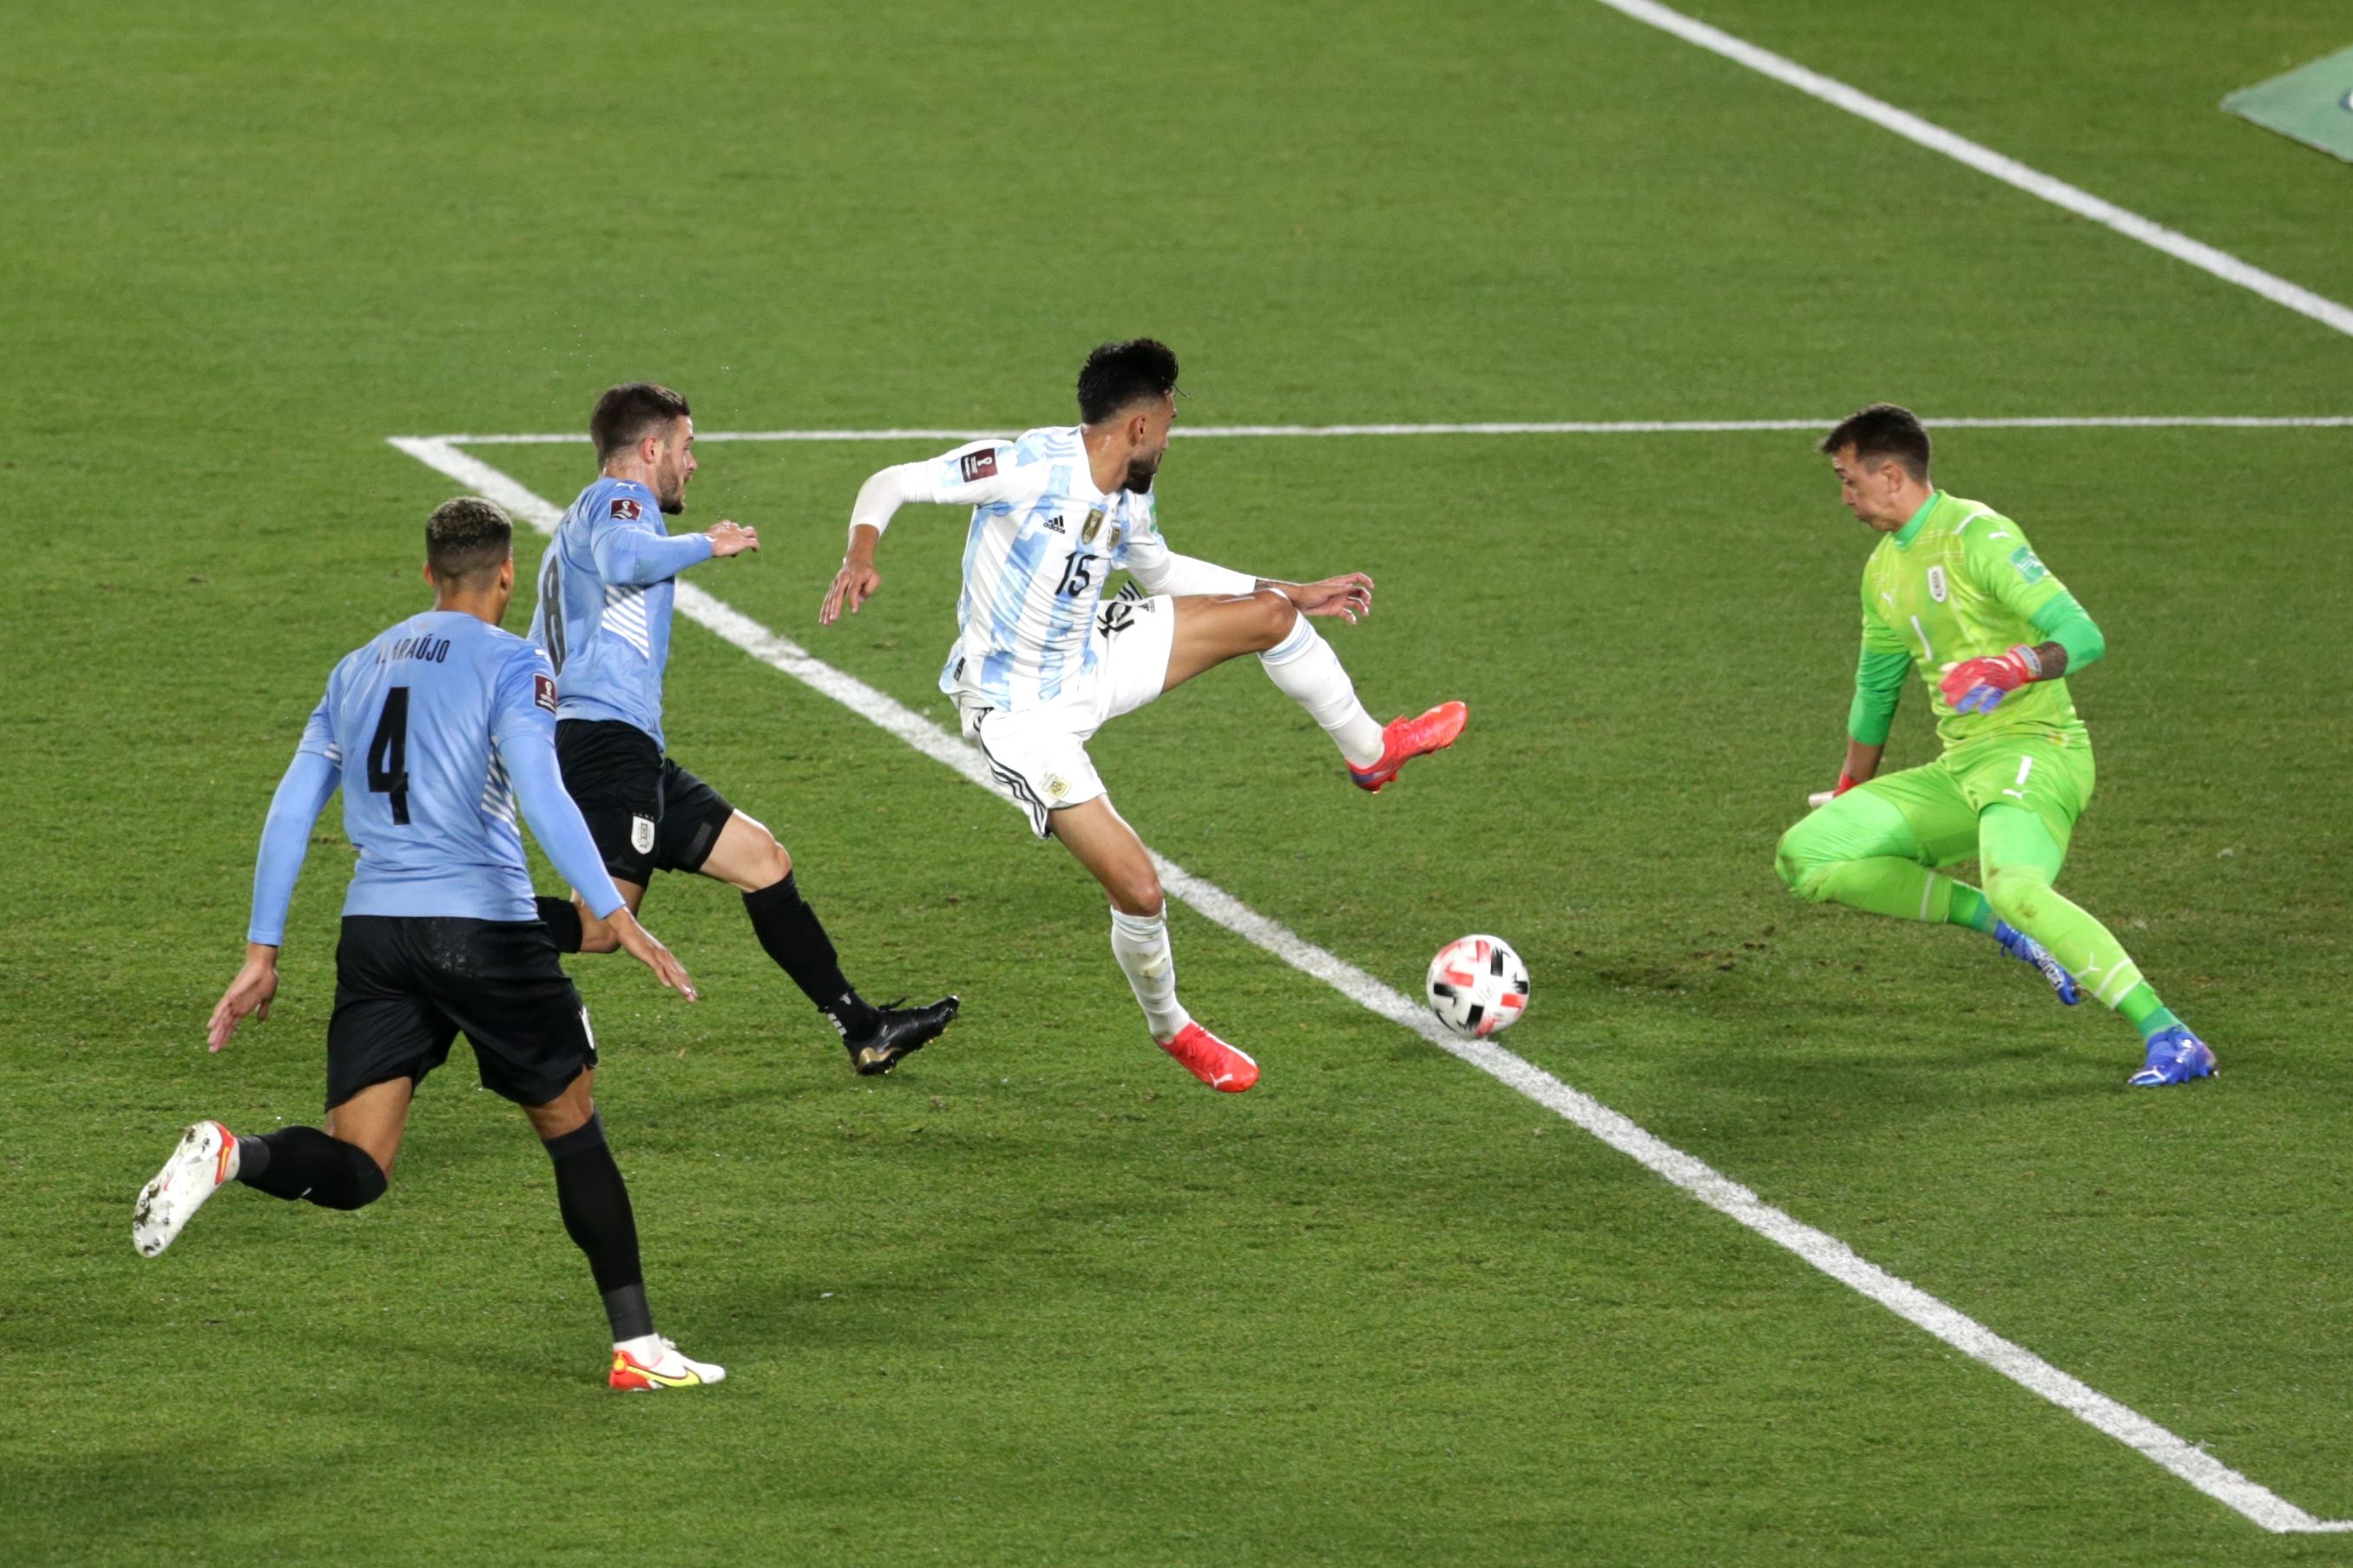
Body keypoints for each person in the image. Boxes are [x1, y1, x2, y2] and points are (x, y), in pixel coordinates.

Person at [133, 497, 726, 1389]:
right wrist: (616, 912)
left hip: (374, 934)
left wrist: (263, 951)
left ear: (426, 574)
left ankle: (234, 1153)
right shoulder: (513, 661)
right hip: (480, 928)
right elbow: (541, 790)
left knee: (362, 1166)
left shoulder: (356, 667)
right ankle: (637, 1349)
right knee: (572, 1129)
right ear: (506, 574)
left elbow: (293, 807)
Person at [819, 339, 1467, 1092]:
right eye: (1166, 420)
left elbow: (1156, 571)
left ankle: (1372, 752)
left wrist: (1293, 589)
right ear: (1135, 425)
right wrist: (860, 553)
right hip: (1020, 713)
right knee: (1140, 889)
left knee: (1267, 616)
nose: (1170, 436)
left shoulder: (1128, 492)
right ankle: (1172, 1026)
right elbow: (892, 481)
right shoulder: (1028, 466)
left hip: (1090, 657)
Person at [1773, 403, 2213, 1087]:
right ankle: (2001, 926)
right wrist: (1851, 786)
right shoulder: (1882, 570)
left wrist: (2013, 666)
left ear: (1890, 475)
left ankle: (2172, 1035)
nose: (1845, 498)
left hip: (2038, 749)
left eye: (1849, 481)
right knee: (1806, 855)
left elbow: (2082, 633)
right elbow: (1876, 689)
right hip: (1963, 769)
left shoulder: (1976, 534)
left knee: (2015, 881)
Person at [529, 382, 957, 1075]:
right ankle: (459, 928)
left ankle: (863, 1027)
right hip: (605, 743)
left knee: (763, 861)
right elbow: (622, 561)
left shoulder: (578, 521)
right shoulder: (622, 501)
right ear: (650, 449)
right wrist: (708, 543)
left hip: (621, 745)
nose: (692, 463)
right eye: (685, 447)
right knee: (603, 926)